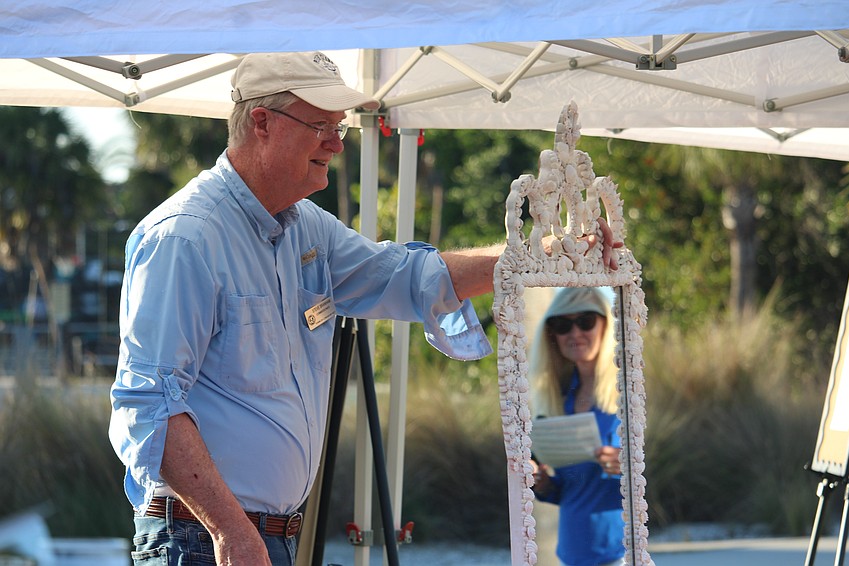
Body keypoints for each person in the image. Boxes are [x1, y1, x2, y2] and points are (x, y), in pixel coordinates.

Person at [109, 51, 619, 566]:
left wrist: (548, 254)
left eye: (340, 128)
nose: (335, 142)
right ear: (261, 123)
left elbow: (411, 277)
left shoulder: (305, 227)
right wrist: (230, 531)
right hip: (206, 540)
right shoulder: (185, 237)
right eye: (320, 126)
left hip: (257, 538)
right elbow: (148, 403)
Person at [529, 286, 625, 566]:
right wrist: (543, 483)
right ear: (552, 335)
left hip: (620, 552)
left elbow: (659, 478)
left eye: (585, 321)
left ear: (605, 324)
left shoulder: (629, 392)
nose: (574, 334)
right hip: (571, 553)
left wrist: (632, 465)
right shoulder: (559, 401)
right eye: (562, 325)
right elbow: (570, 488)